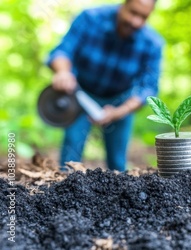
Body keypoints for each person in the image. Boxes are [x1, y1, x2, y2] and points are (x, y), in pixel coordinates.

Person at [46, 0, 164, 171]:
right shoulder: (90, 19)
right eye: (133, 13)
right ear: (124, 4)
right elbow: (62, 51)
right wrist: (63, 72)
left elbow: (148, 88)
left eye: (143, 17)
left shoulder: (152, 43)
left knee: (117, 162)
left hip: (120, 102)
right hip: (80, 95)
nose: (135, 21)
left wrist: (119, 111)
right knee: (70, 154)